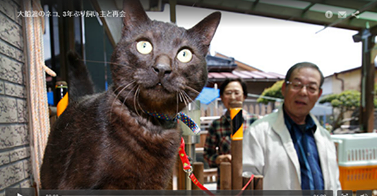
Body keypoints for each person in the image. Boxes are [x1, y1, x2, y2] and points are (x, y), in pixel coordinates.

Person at [242, 62, 341, 192]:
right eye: (297, 85)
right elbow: (247, 182)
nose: (303, 92)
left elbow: (335, 184)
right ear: (284, 88)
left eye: (311, 88)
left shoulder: (325, 137)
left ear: (318, 94)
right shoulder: (258, 132)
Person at [204, 78, 258, 189]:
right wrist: (220, 159)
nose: (233, 97)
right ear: (222, 97)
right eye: (228, 93)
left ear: (244, 96)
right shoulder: (216, 125)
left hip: (251, 182)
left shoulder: (255, 122)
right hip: (226, 183)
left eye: (237, 93)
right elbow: (207, 154)